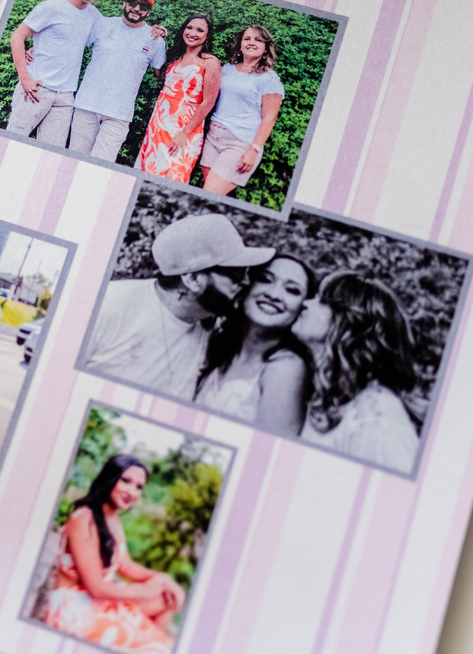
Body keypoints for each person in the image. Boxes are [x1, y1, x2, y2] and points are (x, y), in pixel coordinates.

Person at [82, 213, 274, 397]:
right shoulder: (107, 305)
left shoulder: (214, 324)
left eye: (247, 273)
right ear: (192, 279)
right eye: (236, 274)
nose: (246, 282)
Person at [43, 454, 184, 653]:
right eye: (126, 481)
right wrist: (142, 591)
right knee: (161, 647)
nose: (132, 492)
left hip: (100, 603)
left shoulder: (112, 519)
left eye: (139, 486)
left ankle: (146, 637)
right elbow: (96, 587)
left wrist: (164, 581)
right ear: (109, 478)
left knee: (168, 600)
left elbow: (126, 565)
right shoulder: (84, 518)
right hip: (75, 609)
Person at [292, 272, 421, 471]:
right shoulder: (322, 396)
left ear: (348, 322)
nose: (305, 303)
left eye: (323, 301)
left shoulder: (376, 422)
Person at [193, 255, 314, 435]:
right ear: (247, 287)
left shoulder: (286, 368)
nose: (273, 294)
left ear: (303, 308)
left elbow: (270, 446)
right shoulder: (219, 345)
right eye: (265, 280)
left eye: (292, 290)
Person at [5, 0, 109, 146]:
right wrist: (24, 78)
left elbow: (116, 35)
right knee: (10, 143)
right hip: (36, 90)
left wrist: (154, 32)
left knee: (49, 154)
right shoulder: (51, 7)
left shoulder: (95, 16)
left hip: (65, 97)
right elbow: (17, 36)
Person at [68, 0, 168, 162]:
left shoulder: (155, 40)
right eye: (133, 3)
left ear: (149, 12)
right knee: (74, 159)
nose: (136, 8)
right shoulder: (102, 24)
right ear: (125, 3)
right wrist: (35, 49)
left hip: (119, 115)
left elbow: (163, 77)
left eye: (143, 6)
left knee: (99, 166)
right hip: (86, 105)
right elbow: (72, 43)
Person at [136, 13, 222, 183]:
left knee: (172, 179)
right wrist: (158, 34)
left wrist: (184, 133)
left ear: (207, 35)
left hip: (186, 130)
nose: (192, 33)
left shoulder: (210, 62)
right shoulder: (175, 57)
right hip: (159, 126)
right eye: (189, 27)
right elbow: (160, 75)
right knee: (149, 175)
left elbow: (209, 102)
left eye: (200, 30)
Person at [201, 24, 285, 196]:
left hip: (240, 143)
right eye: (247, 39)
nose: (251, 42)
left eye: (258, 40)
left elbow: (269, 119)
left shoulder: (269, 79)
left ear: (266, 48)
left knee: (210, 192)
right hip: (213, 138)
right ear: (240, 45)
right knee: (209, 192)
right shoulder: (227, 69)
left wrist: (253, 150)